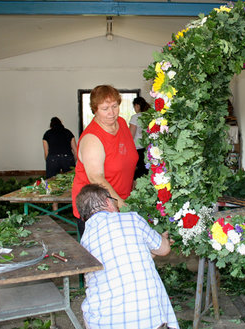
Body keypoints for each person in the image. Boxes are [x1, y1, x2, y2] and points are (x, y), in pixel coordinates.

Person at [76, 183, 178, 329]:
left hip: (104, 322)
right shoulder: (131, 218)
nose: (117, 207)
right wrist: (162, 239)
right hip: (148, 318)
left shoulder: (85, 239)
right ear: (107, 202)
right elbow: (163, 250)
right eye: (114, 201)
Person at [72, 85, 138, 236]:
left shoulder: (121, 123)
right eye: (105, 108)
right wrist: (121, 206)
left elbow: (127, 161)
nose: (111, 113)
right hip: (98, 208)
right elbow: (96, 178)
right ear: (95, 109)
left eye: (115, 106)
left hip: (122, 201)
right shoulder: (92, 138)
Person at [128, 96, 150, 180]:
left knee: (136, 174)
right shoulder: (149, 116)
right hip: (147, 148)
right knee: (145, 172)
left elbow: (131, 135)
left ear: (137, 106)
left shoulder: (135, 117)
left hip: (137, 148)